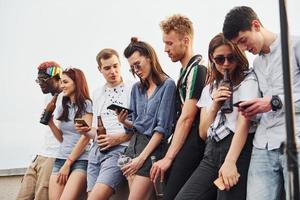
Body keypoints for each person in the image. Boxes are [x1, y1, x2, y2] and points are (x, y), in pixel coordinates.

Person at [223, 6, 300, 200]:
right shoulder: (256, 65)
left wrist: (274, 102)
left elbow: (273, 102)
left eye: (243, 40)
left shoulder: (295, 46)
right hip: (262, 146)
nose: (243, 49)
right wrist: (253, 109)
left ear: (256, 25)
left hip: (294, 140)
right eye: (237, 45)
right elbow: (265, 105)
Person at [175, 33, 261, 200]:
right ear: (212, 59)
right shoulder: (210, 88)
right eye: (220, 59)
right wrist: (214, 105)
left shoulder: (248, 81)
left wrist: (230, 162)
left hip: (237, 148)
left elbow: (244, 124)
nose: (226, 64)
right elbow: (203, 132)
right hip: (212, 151)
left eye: (231, 58)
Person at [150, 14, 207, 199]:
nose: (165, 49)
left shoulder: (198, 68)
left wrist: (168, 158)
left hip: (195, 140)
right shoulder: (185, 70)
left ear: (186, 40)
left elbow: (188, 117)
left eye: (170, 43)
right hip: (184, 139)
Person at [117, 37, 176, 200]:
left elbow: (161, 128)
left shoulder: (168, 85)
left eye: (138, 64)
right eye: (132, 67)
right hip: (133, 147)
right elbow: (135, 125)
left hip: (151, 150)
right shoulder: (136, 89)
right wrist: (123, 121)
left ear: (149, 57)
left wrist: (141, 159)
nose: (136, 70)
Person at [75, 48, 133, 200]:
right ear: (100, 69)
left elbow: (140, 127)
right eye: (107, 68)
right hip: (95, 153)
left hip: (119, 151)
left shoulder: (133, 89)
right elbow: (96, 130)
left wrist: (117, 139)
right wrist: (86, 130)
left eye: (115, 66)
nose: (112, 71)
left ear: (120, 65)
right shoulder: (97, 93)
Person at [16, 61, 62, 200]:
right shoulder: (47, 97)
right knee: (22, 196)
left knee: (42, 196)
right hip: (41, 154)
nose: (40, 83)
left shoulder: (68, 98)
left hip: (54, 155)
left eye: (43, 79)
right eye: (38, 79)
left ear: (56, 77)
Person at [48, 68, 92, 200]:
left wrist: (68, 163)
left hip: (81, 160)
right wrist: (50, 123)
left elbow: (86, 137)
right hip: (61, 158)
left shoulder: (86, 104)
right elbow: (62, 138)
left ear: (76, 82)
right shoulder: (63, 106)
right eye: (61, 82)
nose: (61, 86)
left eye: (65, 82)